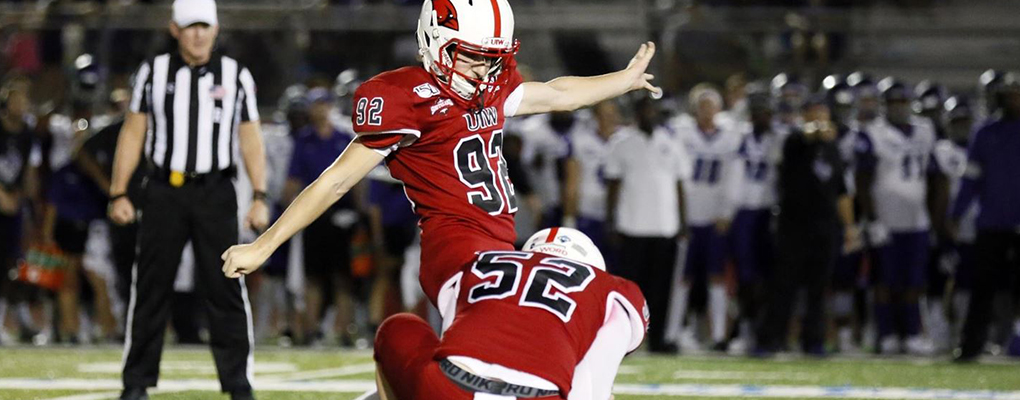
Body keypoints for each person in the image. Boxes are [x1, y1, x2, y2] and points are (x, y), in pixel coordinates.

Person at [221, 0, 661, 330]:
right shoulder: (407, 99)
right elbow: (335, 181)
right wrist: (265, 245)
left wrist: (622, 81)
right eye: (471, 56)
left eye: (492, 58)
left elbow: (558, 93)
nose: (484, 69)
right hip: (455, 246)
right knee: (496, 356)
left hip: (499, 241)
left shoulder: (488, 86)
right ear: (435, 40)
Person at [107, 0, 269, 398]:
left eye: (204, 26)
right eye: (189, 26)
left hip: (215, 191)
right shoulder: (154, 71)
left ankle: (237, 383)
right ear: (174, 30)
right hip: (164, 190)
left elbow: (250, 137)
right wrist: (119, 190)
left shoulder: (235, 75)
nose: (198, 33)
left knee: (227, 286)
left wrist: (260, 194)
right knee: (150, 288)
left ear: (215, 29)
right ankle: (136, 383)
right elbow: (133, 132)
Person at [374, 227, 648, 400]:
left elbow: (449, 342)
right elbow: (592, 386)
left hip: (448, 388)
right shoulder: (611, 289)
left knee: (398, 327)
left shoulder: (483, 261)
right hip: (537, 395)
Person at [758, 97, 857, 356]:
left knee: (818, 288)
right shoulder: (793, 140)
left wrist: (849, 226)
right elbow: (804, 136)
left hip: (825, 227)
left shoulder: (833, 149)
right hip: (794, 225)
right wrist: (816, 129)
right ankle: (770, 340)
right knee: (784, 285)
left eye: (823, 114)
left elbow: (842, 191)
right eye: (814, 115)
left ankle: (812, 341)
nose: (819, 120)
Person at [855, 78, 947, 355]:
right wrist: (872, 219)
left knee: (914, 282)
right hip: (886, 220)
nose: (899, 107)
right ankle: (886, 333)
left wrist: (936, 220)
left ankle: (911, 333)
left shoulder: (925, 130)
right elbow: (862, 180)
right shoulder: (872, 133)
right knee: (884, 281)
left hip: (917, 220)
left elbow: (935, 179)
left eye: (903, 102)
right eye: (893, 102)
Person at [604, 96, 686, 353]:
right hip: (632, 227)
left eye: (652, 110)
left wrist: (684, 221)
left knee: (662, 289)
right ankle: (628, 341)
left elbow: (680, 185)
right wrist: (611, 221)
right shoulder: (622, 143)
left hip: (665, 227)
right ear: (637, 113)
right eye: (644, 110)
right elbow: (613, 186)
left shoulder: (672, 142)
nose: (649, 114)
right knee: (630, 287)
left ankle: (659, 339)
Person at [283, 87, 362, 346]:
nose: (320, 109)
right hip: (314, 213)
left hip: (342, 214)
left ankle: (344, 330)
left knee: (343, 276)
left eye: (323, 104)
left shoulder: (343, 138)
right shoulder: (304, 140)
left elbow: (357, 176)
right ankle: (311, 330)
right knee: (313, 276)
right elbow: (293, 180)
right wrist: (288, 213)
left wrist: (359, 211)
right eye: (315, 105)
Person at [953, 74, 1020, 361]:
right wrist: (955, 213)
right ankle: (971, 345)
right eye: (1010, 95)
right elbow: (971, 178)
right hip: (991, 221)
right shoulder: (985, 132)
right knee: (983, 287)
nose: (1014, 100)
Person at [671, 84, 741, 351]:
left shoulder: (731, 134)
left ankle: (719, 335)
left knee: (716, 276)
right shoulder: (681, 132)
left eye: (711, 106)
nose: (707, 111)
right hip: (688, 213)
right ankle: (673, 333)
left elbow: (733, 176)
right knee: (683, 277)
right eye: (702, 106)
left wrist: (726, 212)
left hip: (714, 215)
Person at [728, 83, 781, 352]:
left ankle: (765, 331)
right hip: (745, 212)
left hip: (770, 213)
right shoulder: (739, 135)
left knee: (769, 278)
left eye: (767, 112)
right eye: (758, 112)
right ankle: (745, 328)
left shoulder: (781, 138)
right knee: (746, 277)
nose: (763, 117)